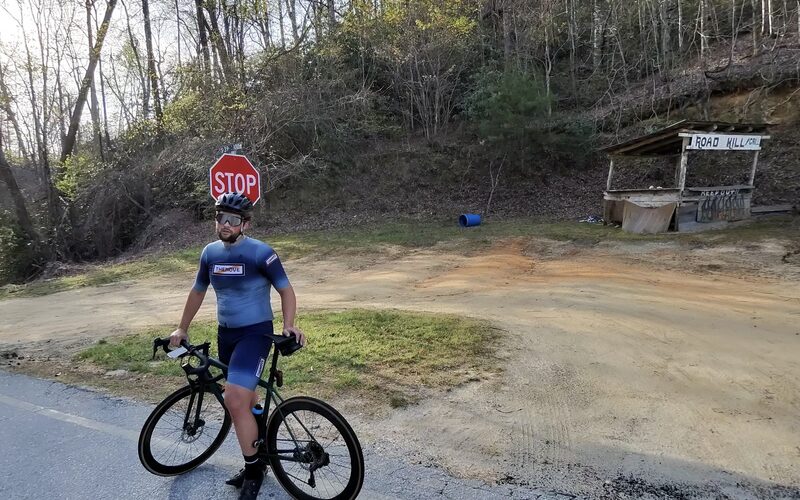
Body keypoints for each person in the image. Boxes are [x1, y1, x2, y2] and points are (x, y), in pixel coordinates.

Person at [169, 191, 306, 500]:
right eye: (221, 218)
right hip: (226, 335)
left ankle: (254, 470)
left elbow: (286, 290)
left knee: (233, 399)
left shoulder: (261, 253)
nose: (225, 224)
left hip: (255, 334)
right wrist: (182, 327)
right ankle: (258, 453)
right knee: (247, 399)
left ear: (245, 223)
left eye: (232, 220)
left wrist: (288, 324)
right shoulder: (210, 253)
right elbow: (197, 292)